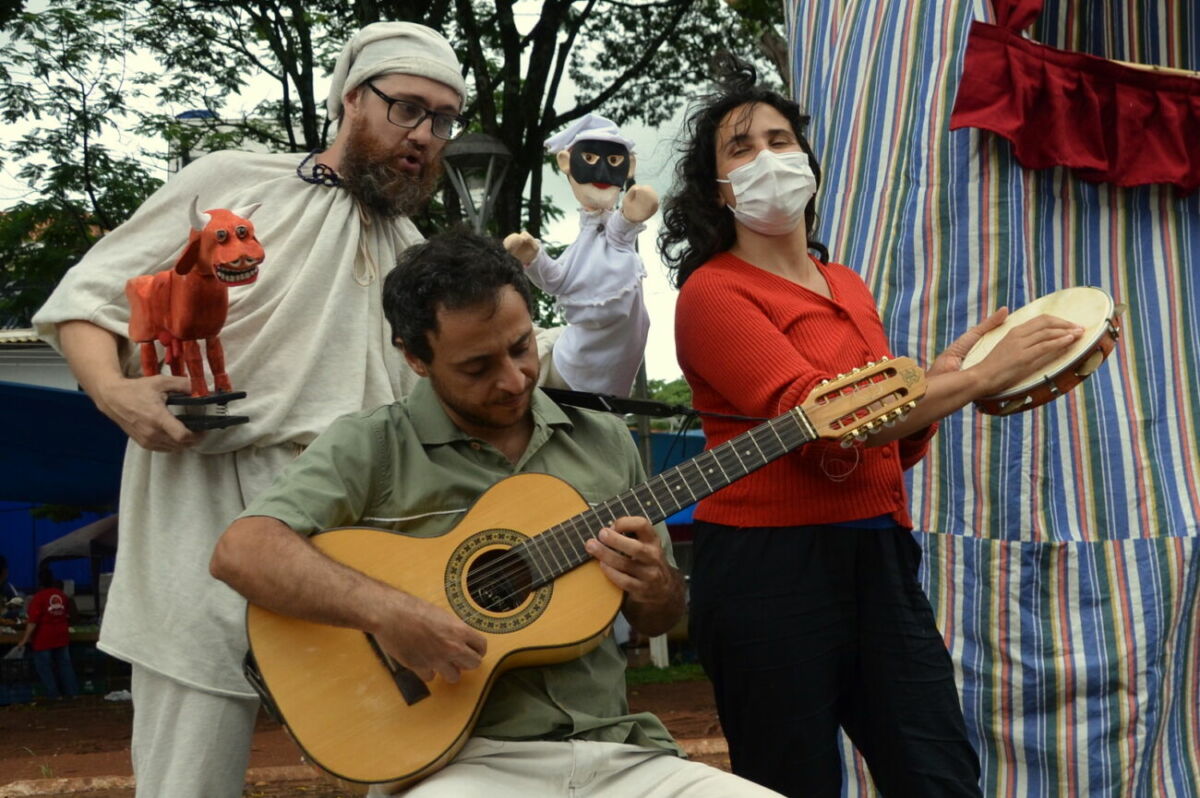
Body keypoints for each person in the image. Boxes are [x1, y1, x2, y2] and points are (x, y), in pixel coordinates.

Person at [31, 22, 648, 798]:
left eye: (443, 120)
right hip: (203, 509)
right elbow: (90, 298)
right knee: (187, 777)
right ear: (351, 98)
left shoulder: (412, 253)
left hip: (359, 538)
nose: (425, 135)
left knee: (395, 756)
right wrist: (114, 391)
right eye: (407, 110)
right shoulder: (231, 180)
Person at [209, 231, 781, 798]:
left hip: (618, 751)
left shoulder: (605, 441)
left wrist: (658, 585)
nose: (513, 380)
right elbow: (243, 550)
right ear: (414, 356)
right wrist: (389, 612)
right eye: (477, 367)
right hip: (458, 764)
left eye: (521, 347)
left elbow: (657, 619)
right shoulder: (372, 446)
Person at [657, 56, 1084, 797]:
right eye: (742, 147)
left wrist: (943, 378)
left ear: (809, 161)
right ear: (718, 189)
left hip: (879, 554)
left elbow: (882, 436)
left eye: (781, 139)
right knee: (794, 780)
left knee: (939, 771)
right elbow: (824, 423)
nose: (768, 158)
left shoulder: (847, 283)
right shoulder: (711, 292)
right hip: (767, 571)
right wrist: (977, 377)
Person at [14, 566, 80, 701]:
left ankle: (54, 695)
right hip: (61, 635)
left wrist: (24, 639)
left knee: (45, 667)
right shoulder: (61, 596)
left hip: (44, 638)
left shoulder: (38, 598)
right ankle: (73, 692)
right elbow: (68, 614)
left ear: (40, 582)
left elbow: (32, 622)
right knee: (65, 665)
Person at [0, 555, 23, 625]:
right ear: (4, 571)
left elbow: (18, 607)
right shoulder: (8, 587)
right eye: (6, 569)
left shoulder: (8, 588)